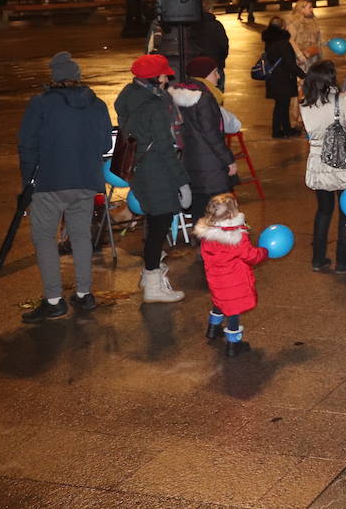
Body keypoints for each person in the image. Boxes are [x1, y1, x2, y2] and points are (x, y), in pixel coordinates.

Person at [17, 52, 113, 322]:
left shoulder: (41, 104)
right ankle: (84, 294)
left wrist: (28, 184)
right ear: (78, 77)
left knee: (45, 239)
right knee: (81, 236)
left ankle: (54, 300)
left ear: (54, 78)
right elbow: (106, 145)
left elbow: (27, 145)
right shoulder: (97, 104)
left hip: (48, 183)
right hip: (84, 182)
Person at [115, 54, 192, 304]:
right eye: (164, 73)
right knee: (159, 227)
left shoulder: (129, 97)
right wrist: (182, 181)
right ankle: (152, 283)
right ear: (156, 77)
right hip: (157, 172)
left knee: (153, 225)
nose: (167, 77)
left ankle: (151, 276)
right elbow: (164, 147)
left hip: (140, 171)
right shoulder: (154, 105)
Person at [301, 61, 346, 272]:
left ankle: (318, 259)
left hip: (318, 162)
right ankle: (343, 260)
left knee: (323, 211)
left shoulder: (305, 104)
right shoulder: (341, 101)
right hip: (341, 162)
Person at [194, 193, 269, 356]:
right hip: (235, 280)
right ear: (232, 214)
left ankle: (213, 328)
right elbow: (251, 256)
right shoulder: (236, 237)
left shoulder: (207, 235)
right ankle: (233, 344)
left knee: (220, 299)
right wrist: (264, 252)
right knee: (233, 309)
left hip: (215, 279)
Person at [169, 57, 237, 223]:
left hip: (189, 162)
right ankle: (217, 247)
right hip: (210, 165)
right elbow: (212, 134)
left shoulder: (177, 95)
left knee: (199, 208)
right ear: (205, 75)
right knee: (219, 210)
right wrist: (229, 160)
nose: (218, 77)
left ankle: (201, 244)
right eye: (215, 73)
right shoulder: (204, 99)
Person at [287, 0, 323, 71]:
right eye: (309, 7)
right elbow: (290, 40)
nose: (312, 9)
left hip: (313, 56)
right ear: (302, 9)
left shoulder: (313, 20)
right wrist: (299, 55)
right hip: (301, 57)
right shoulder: (294, 22)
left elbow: (317, 38)